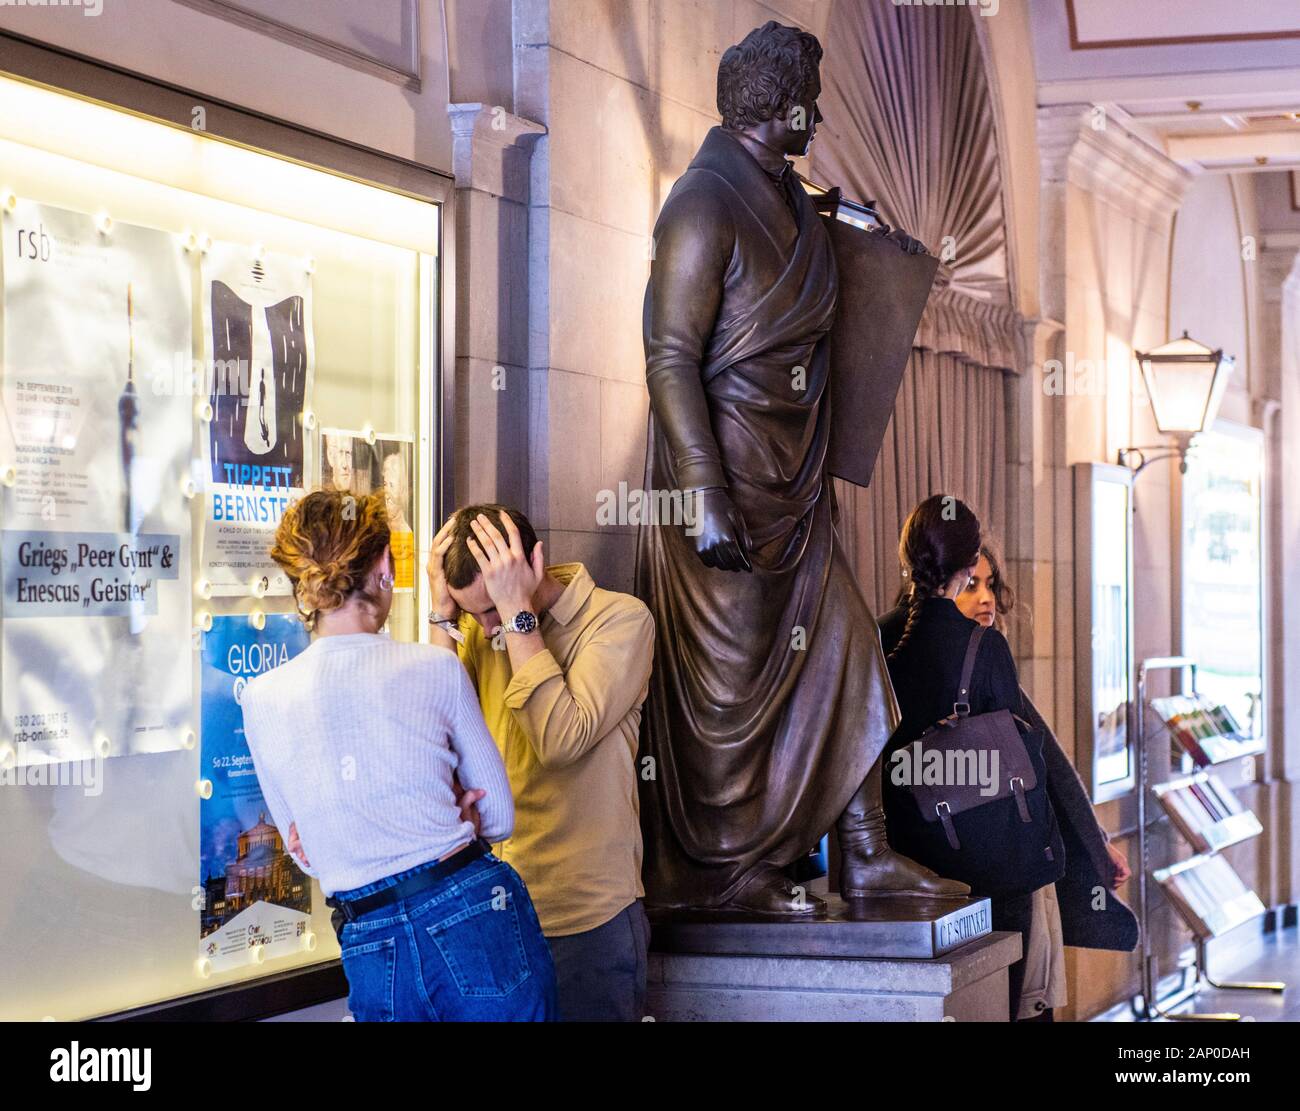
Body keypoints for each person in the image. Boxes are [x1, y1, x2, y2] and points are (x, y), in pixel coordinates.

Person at [634, 20, 961, 916]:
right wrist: (702, 491)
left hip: (794, 492)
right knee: (732, 694)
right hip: (727, 493)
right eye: (808, 102)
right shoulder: (701, 205)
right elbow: (668, 356)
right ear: (776, 107)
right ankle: (727, 869)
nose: (816, 117)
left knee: (850, 648)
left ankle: (865, 853)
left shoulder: (788, 199)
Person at [240, 489, 556, 1022]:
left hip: (368, 934)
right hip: (474, 909)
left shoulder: (261, 699)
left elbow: (307, 853)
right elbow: (498, 817)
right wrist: (437, 812)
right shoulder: (435, 670)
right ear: (386, 566)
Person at [882, 541, 1136, 1021]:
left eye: (990, 584)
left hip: (1010, 869)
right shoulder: (904, 651)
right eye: (971, 583)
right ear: (938, 584)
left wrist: (1096, 841)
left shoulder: (982, 655)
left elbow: (1046, 769)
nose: (986, 599)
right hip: (943, 879)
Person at [426, 504, 655, 1022]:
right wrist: (442, 615)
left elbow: (560, 739)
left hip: (586, 922)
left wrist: (516, 616)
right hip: (490, 913)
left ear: (533, 564)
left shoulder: (619, 619)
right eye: (471, 614)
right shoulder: (483, 631)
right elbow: (431, 742)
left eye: (490, 611)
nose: (485, 630)